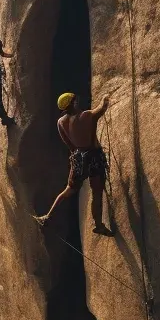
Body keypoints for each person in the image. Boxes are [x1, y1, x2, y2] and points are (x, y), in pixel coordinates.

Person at [35, 92, 114, 235]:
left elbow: (69, 145)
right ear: (73, 103)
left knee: (69, 189)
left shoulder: (60, 123)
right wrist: (106, 96)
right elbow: (102, 108)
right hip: (94, 157)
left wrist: (78, 156)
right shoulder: (87, 116)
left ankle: (47, 216)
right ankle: (99, 225)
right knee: (96, 191)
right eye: (75, 100)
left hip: (78, 157)